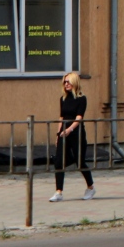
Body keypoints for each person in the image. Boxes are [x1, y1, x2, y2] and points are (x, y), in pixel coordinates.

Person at [49, 72, 94, 202]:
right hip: (64, 132)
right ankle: (59, 192)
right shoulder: (63, 98)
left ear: (75, 82)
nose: (66, 84)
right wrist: (58, 134)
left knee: (80, 161)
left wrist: (70, 129)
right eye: (64, 82)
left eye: (68, 81)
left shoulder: (81, 98)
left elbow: (79, 117)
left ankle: (90, 187)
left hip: (76, 132)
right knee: (59, 162)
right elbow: (61, 117)